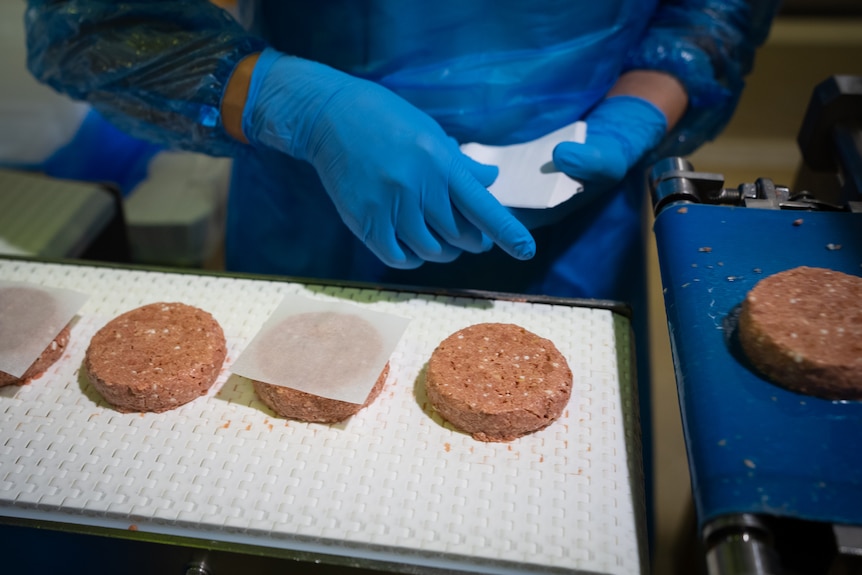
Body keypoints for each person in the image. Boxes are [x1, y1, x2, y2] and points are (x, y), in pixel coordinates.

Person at [24, 0, 781, 546]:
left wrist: (642, 107)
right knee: (285, 501)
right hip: (318, 199)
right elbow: (86, 23)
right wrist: (295, 102)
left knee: (540, 520)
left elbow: (716, 11)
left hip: (574, 219)